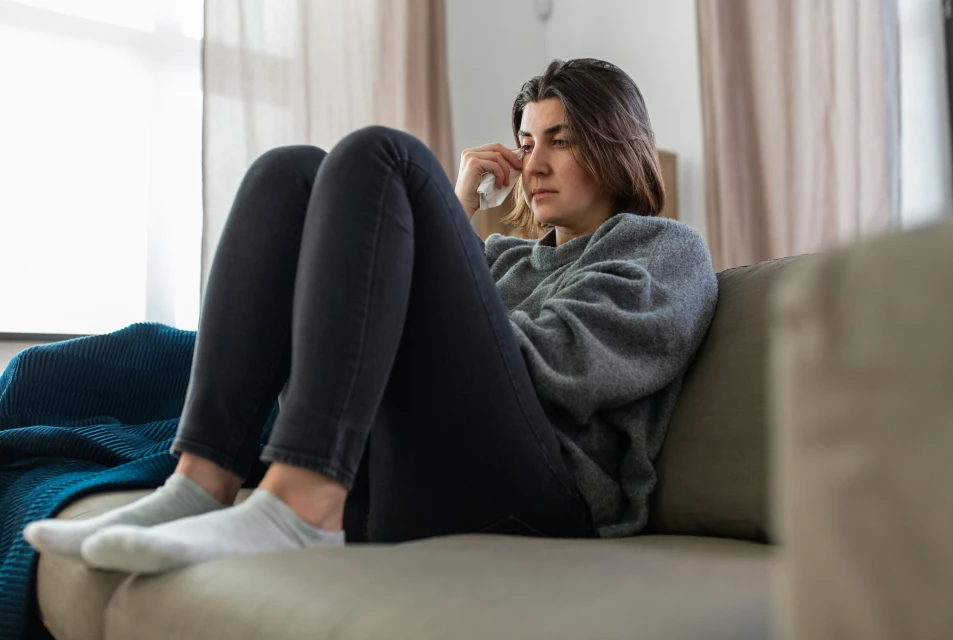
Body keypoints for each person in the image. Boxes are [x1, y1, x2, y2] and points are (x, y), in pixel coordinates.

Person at [24, 58, 717, 574]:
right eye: (527, 142)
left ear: (615, 145)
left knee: (382, 155)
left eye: (559, 140)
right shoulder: (505, 259)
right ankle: (199, 486)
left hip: (538, 503)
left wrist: (419, 269)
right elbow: (441, 345)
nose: (533, 163)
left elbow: (559, 368)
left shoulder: (664, 250)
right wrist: (457, 207)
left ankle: (301, 507)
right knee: (289, 171)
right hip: (404, 474)